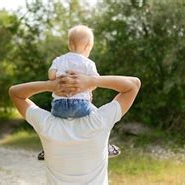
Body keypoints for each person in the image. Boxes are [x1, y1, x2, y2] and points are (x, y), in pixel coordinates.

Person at [8, 72, 140, 184]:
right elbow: (134, 84)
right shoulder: (99, 121)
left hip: (56, 130)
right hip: (93, 125)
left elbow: (15, 92)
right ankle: (105, 145)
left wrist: (50, 85)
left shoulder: (47, 124)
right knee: (94, 114)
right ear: (89, 96)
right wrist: (91, 81)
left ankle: (50, 150)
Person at [38, 25, 120, 160]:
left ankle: (47, 149)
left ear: (69, 44)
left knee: (52, 125)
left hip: (59, 106)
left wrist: (60, 75)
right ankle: (106, 146)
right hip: (81, 105)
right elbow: (96, 82)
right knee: (100, 117)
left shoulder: (59, 60)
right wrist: (89, 88)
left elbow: (51, 76)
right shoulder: (89, 63)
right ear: (88, 46)